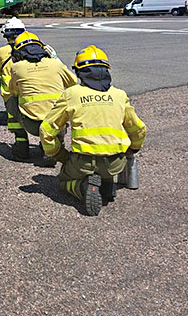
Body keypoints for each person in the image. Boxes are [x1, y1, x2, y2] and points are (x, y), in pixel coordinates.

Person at [39, 45, 147, 216]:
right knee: (107, 172)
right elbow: (139, 129)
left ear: (79, 72)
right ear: (106, 70)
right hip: (115, 163)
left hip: (83, 162)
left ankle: (82, 187)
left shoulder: (72, 94)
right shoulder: (119, 95)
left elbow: (46, 130)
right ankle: (106, 184)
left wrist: (59, 155)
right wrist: (133, 148)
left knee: (62, 181)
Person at [8, 31, 77, 164]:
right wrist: (56, 59)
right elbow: (73, 82)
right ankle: (54, 148)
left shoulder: (17, 68)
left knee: (11, 100)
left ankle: (21, 146)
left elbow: (13, 90)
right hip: (56, 125)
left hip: (31, 124)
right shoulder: (55, 65)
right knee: (64, 104)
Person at [0, 17, 26, 157]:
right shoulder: (33, 48)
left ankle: (21, 145)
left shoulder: (1, 52)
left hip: (9, 91)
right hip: (28, 89)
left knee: (14, 118)